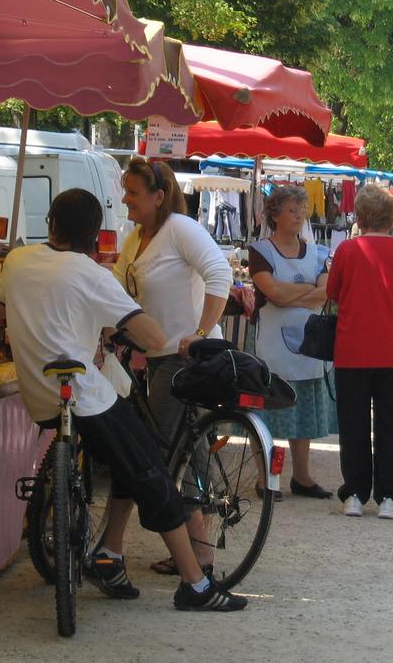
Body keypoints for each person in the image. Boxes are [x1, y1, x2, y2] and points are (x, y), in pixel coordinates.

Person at [0, 189, 245, 612]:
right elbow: (152, 338)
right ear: (95, 234)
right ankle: (195, 583)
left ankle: (109, 552)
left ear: (51, 223)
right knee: (152, 469)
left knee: (132, 453)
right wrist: (120, 325)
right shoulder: (90, 273)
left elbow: (8, 296)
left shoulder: (17, 262)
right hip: (83, 396)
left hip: (36, 394)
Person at [112, 157, 232, 575]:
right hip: (158, 357)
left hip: (186, 361)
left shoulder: (179, 228)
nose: (125, 199)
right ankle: (198, 549)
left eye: (132, 192)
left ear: (158, 196)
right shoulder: (136, 237)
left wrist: (201, 332)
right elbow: (114, 288)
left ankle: (193, 554)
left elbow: (220, 275)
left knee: (157, 454)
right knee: (184, 455)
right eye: (124, 190)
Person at [327, 185, 393, 520]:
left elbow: (333, 297)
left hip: (352, 350)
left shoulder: (346, 251)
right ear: (392, 219)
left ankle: (355, 493)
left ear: (359, 218)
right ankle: (389, 495)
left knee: (353, 424)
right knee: (391, 424)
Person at [248, 186, 335, 500]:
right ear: (275, 215)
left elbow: (325, 292)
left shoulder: (318, 251)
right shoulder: (261, 251)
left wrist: (289, 294)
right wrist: (307, 289)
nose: (299, 215)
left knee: (301, 411)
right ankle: (265, 478)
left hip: (309, 342)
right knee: (268, 412)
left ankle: (302, 476)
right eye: (292, 209)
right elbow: (273, 294)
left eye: (302, 209)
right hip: (272, 344)